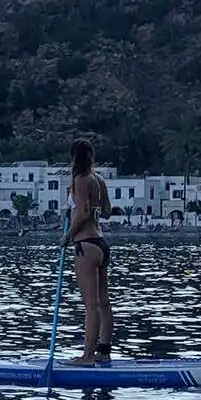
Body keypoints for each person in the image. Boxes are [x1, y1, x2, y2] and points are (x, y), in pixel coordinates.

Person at [61, 138, 114, 366]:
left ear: (73, 157)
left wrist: (68, 236)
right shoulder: (99, 179)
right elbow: (108, 211)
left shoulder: (80, 180)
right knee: (103, 302)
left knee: (90, 304)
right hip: (101, 244)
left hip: (85, 244)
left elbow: (82, 214)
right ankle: (104, 350)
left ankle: (88, 356)